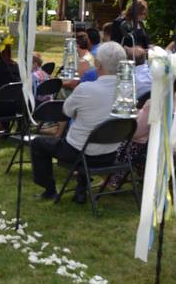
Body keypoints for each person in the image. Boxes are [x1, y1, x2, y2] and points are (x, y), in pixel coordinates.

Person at [31, 41, 127, 203]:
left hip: (80, 153)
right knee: (85, 135)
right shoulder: (127, 92)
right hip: (111, 153)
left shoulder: (86, 89)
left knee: (38, 143)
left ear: (97, 64)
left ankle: (49, 189)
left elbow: (66, 112)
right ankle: (80, 190)